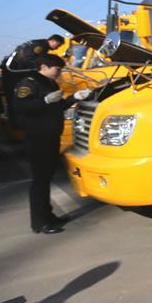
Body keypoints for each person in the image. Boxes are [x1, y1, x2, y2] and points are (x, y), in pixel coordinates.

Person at [13, 54, 91, 235]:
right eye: (57, 69)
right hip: (37, 138)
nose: (59, 73)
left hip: (50, 137)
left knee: (46, 178)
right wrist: (45, 100)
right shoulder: (29, 83)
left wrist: (74, 97)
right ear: (44, 66)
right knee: (40, 181)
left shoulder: (50, 83)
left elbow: (58, 106)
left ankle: (48, 216)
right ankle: (40, 223)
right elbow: (21, 106)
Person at [1, 34, 66, 130]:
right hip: (15, 73)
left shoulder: (37, 44)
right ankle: (17, 125)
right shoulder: (41, 46)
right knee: (14, 100)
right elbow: (27, 59)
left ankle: (16, 124)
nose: (57, 48)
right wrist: (39, 68)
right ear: (53, 41)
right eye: (58, 45)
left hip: (13, 72)